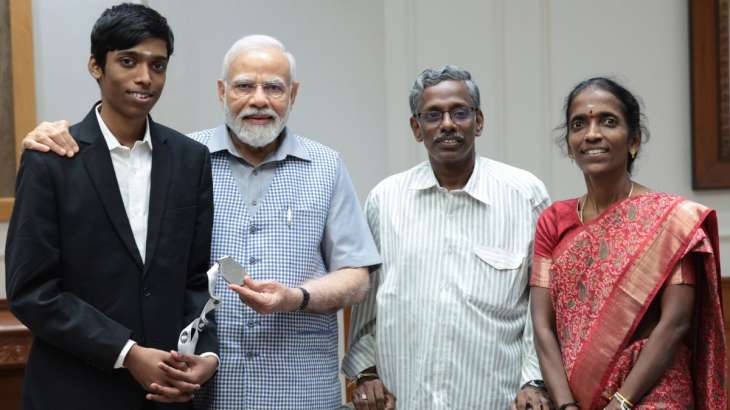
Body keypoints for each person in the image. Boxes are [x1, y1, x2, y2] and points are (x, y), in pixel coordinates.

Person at [21, 34, 381, 409]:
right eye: (244, 86)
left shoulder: (326, 167)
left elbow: (356, 277)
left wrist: (296, 298)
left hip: (299, 389)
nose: (259, 99)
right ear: (222, 91)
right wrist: (46, 136)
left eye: (274, 87)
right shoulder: (180, 159)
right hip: (201, 390)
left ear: (294, 94)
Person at [5, 3, 219, 410]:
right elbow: (32, 291)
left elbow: (196, 279)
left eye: (158, 66)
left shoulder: (191, 159)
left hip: (166, 395)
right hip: (71, 391)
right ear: (96, 66)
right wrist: (128, 353)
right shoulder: (50, 158)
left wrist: (204, 355)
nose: (145, 78)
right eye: (128, 61)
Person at [343, 65, 552, 410]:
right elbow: (366, 309)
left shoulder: (525, 194)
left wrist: (534, 379)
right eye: (433, 115)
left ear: (479, 121)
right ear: (416, 127)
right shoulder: (385, 199)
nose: (448, 124)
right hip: (406, 398)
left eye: (460, 112)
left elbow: (542, 308)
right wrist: (366, 374)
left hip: (496, 401)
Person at [530, 77, 726, 409]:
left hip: (656, 393)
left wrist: (621, 402)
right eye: (579, 124)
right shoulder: (554, 220)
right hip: (576, 398)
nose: (592, 133)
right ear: (569, 144)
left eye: (608, 121)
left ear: (633, 140)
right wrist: (565, 405)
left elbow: (675, 322)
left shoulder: (671, 220)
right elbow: (542, 326)